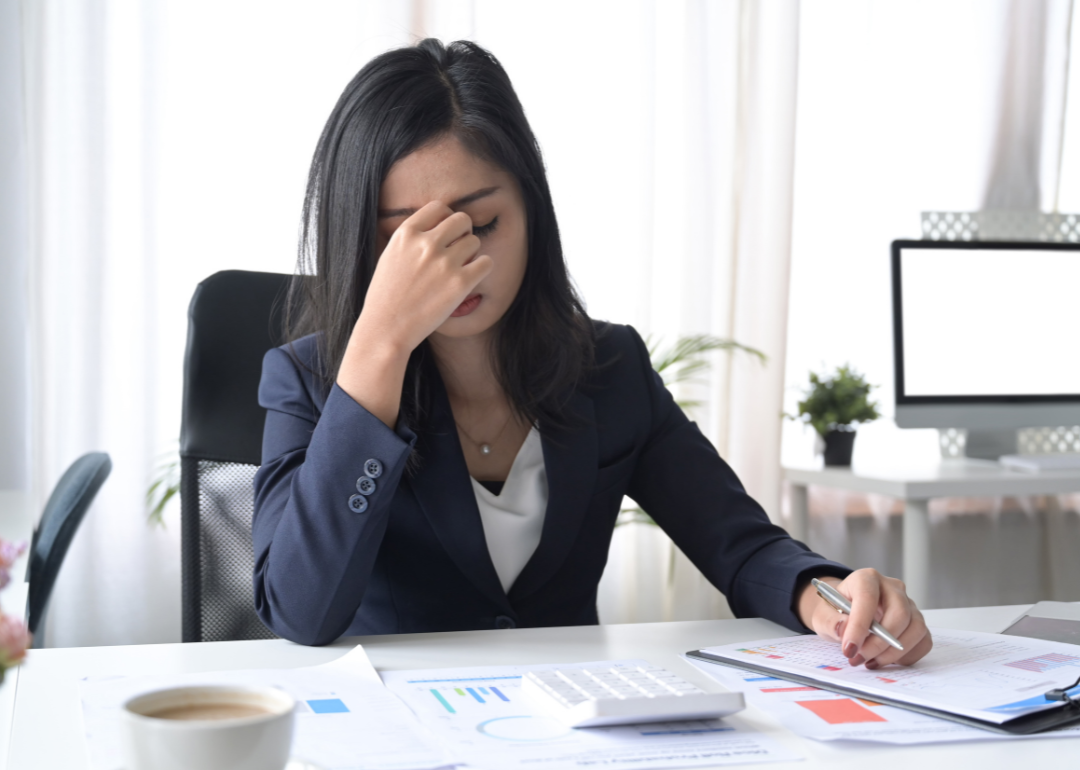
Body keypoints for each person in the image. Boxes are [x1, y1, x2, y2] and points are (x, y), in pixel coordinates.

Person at [252, 39, 932, 670]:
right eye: (410, 242)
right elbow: (300, 611)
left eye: (483, 224)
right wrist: (382, 344)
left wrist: (826, 594)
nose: (457, 265)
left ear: (532, 210)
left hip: (574, 725)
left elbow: (740, 543)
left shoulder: (611, 367)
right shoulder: (308, 381)